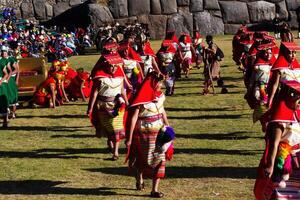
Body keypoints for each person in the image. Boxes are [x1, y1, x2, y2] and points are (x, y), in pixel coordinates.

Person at [125, 71, 173, 198]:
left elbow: (162, 112)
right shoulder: (140, 98)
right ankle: (139, 178)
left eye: (161, 83)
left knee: (160, 160)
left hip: (160, 132)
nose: (160, 85)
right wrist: (129, 138)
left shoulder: (160, 96)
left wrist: (168, 127)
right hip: (143, 133)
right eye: (158, 82)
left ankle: (154, 190)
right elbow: (133, 118)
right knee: (143, 160)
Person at [88, 53, 129, 161]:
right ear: (106, 65)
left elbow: (122, 91)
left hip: (118, 106)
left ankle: (115, 152)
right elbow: (95, 93)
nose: (114, 68)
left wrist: (127, 102)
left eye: (116, 66)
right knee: (108, 127)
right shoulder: (100, 77)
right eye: (111, 66)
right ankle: (110, 143)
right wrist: (91, 107)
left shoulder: (120, 77)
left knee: (116, 128)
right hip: (103, 106)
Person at [0, 50, 9, 127]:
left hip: (1, 85)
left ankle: (5, 122)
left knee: (2, 103)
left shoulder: (1, 63)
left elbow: (6, 74)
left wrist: (0, 81)